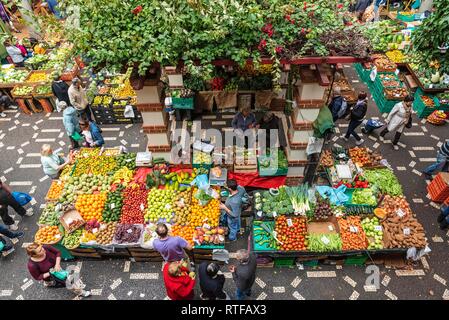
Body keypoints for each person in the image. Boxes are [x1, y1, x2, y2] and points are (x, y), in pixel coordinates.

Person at [26, 243, 91, 297]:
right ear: (34, 255)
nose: (43, 250)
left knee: (68, 282)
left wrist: (57, 264)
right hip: (51, 275)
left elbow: (57, 252)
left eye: (41, 248)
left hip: (58, 269)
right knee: (68, 284)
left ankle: (79, 290)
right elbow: (37, 277)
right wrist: (50, 273)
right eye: (40, 251)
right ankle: (81, 292)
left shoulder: (45, 247)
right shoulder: (32, 265)